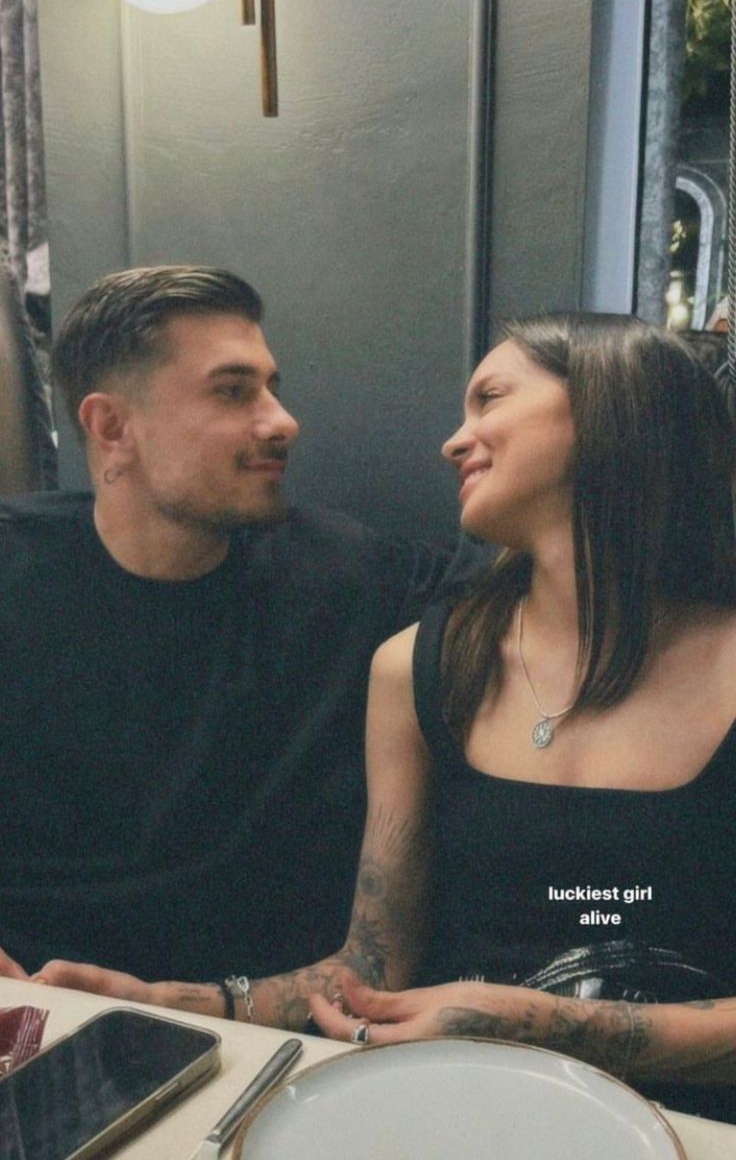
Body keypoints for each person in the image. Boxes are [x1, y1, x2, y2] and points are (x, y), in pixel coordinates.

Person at [25, 313, 736, 1121]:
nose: (452, 441)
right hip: (458, 1110)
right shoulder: (419, 668)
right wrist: (162, 998)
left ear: (613, 405)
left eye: (490, 397)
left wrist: (542, 1023)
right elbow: (371, 969)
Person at [0, 264, 479, 985]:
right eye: (233, 391)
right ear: (111, 426)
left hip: (263, 1024)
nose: (282, 421)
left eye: (271, 387)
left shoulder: (346, 574)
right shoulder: (15, 571)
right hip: (39, 1015)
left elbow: (550, 592)